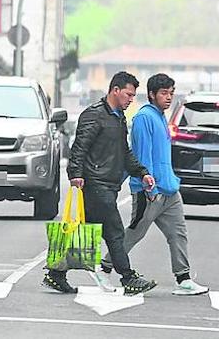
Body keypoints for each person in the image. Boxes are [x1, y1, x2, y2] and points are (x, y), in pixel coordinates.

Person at [44, 71, 157, 297]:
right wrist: (75, 174)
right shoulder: (94, 115)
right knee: (115, 231)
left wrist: (142, 172)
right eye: (128, 95)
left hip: (109, 184)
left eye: (133, 96)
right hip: (96, 184)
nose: (130, 100)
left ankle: (56, 274)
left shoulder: (118, 117)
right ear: (115, 90)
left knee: (83, 232)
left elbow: (124, 152)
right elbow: (79, 147)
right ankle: (128, 278)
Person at [104, 73, 208, 296]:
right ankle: (104, 267)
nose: (168, 98)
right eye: (163, 93)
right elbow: (142, 156)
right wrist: (148, 187)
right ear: (151, 95)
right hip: (150, 191)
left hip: (169, 190)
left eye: (171, 93)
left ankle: (183, 279)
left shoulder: (161, 117)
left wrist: (169, 183)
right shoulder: (144, 118)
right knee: (135, 233)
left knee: (178, 234)